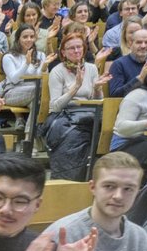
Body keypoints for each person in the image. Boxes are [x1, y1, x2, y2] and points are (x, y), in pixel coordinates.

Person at [41, 34, 112, 180]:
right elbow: (55, 106)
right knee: (74, 135)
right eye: (71, 48)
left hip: (90, 113)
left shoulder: (92, 68)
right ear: (63, 52)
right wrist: (75, 87)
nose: (76, 51)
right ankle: (69, 177)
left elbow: (98, 102)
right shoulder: (58, 71)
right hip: (64, 115)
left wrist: (98, 89)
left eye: (79, 47)